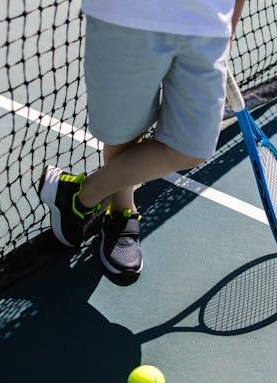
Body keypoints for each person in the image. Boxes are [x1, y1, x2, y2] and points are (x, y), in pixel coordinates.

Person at [39, 0, 246, 277]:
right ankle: (122, 210)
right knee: (124, 133)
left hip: (209, 25)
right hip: (128, 16)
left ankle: (79, 196)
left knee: (193, 147)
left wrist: (230, 22)